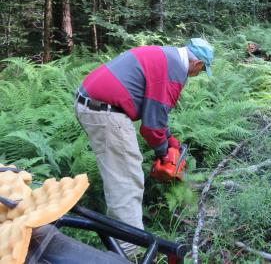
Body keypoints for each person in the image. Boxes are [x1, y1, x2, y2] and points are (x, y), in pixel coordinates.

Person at [74, 38, 214, 254]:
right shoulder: (175, 71)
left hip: (93, 104)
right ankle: (129, 252)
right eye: (202, 70)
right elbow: (151, 127)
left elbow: (154, 111)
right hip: (105, 111)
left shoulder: (167, 57)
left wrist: (170, 141)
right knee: (126, 181)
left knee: (122, 175)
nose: (198, 75)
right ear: (197, 63)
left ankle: (121, 242)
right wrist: (164, 154)